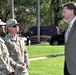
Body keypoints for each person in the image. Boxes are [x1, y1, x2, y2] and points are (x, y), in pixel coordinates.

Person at [62, 2, 76, 75]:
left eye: (64, 12)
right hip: (68, 65)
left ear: (72, 11)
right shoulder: (69, 26)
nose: (62, 14)